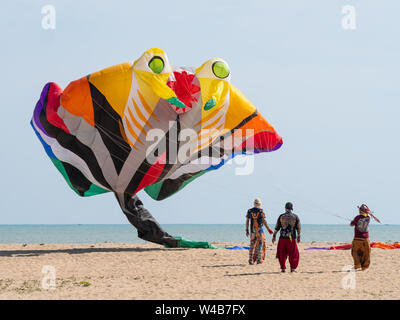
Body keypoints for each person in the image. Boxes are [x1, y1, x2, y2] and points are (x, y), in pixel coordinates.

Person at [272, 202, 301, 273]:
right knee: (293, 253)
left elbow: (277, 227)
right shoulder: (295, 216)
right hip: (292, 238)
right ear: (291, 208)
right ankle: (293, 268)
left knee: (282, 253)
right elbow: (298, 227)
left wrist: (274, 235)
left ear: (285, 208)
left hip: (282, 237)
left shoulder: (281, 216)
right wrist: (298, 236)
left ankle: (283, 268)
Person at [245, 198, 273, 265]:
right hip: (259, 230)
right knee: (260, 244)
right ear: (260, 204)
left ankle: (250, 260)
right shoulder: (261, 211)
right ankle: (258, 259)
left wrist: (247, 230)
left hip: (252, 230)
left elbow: (247, 221)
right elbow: (264, 221)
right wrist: (268, 229)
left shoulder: (249, 211)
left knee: (252, 244)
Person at [350, 204, 371, 271]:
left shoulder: (357, 218)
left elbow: (352, 224)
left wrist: (352, 222)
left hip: (357, 238)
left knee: (355, 252)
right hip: (365, 239)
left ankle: (357, 264)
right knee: (366, 253)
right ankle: (364, 266)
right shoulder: (368, 217)